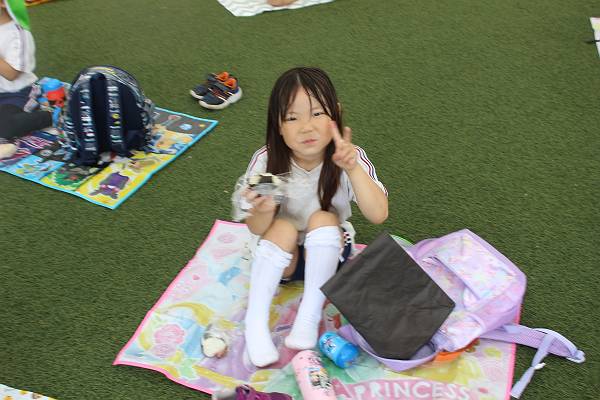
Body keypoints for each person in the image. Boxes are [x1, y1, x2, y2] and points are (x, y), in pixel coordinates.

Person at [236, 67, 388, 367]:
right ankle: (255, 321)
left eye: (317, 113)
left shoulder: (348, 156)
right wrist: (262, 210)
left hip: (330, 254)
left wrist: (352, 168)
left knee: (323, 218)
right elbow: (256, 227)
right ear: (278, 126)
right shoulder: (268, 161)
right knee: (282, 226)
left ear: (336, 115)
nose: (306, 127)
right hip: (283, 261)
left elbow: (378, 214)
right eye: (292, 118)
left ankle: (309, 315)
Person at [0, 0, 52, 159]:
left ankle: (49, 117)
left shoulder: (18, 33)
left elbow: (12, 74)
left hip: (17, 93)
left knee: (6, 123)